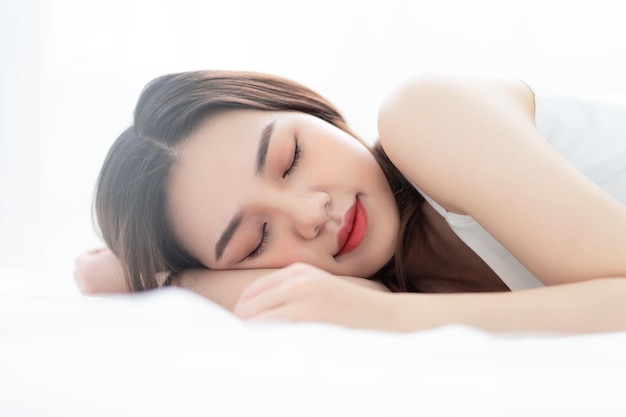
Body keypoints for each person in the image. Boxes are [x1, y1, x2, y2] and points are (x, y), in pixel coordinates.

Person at [74, 70, 626, 333]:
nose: (311, 213)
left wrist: (385, 315)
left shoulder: (428, 117)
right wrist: (156, 281)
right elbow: (285, 300)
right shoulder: (378, 277)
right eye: (256, 239)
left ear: (310, 110)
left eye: (290, 158)